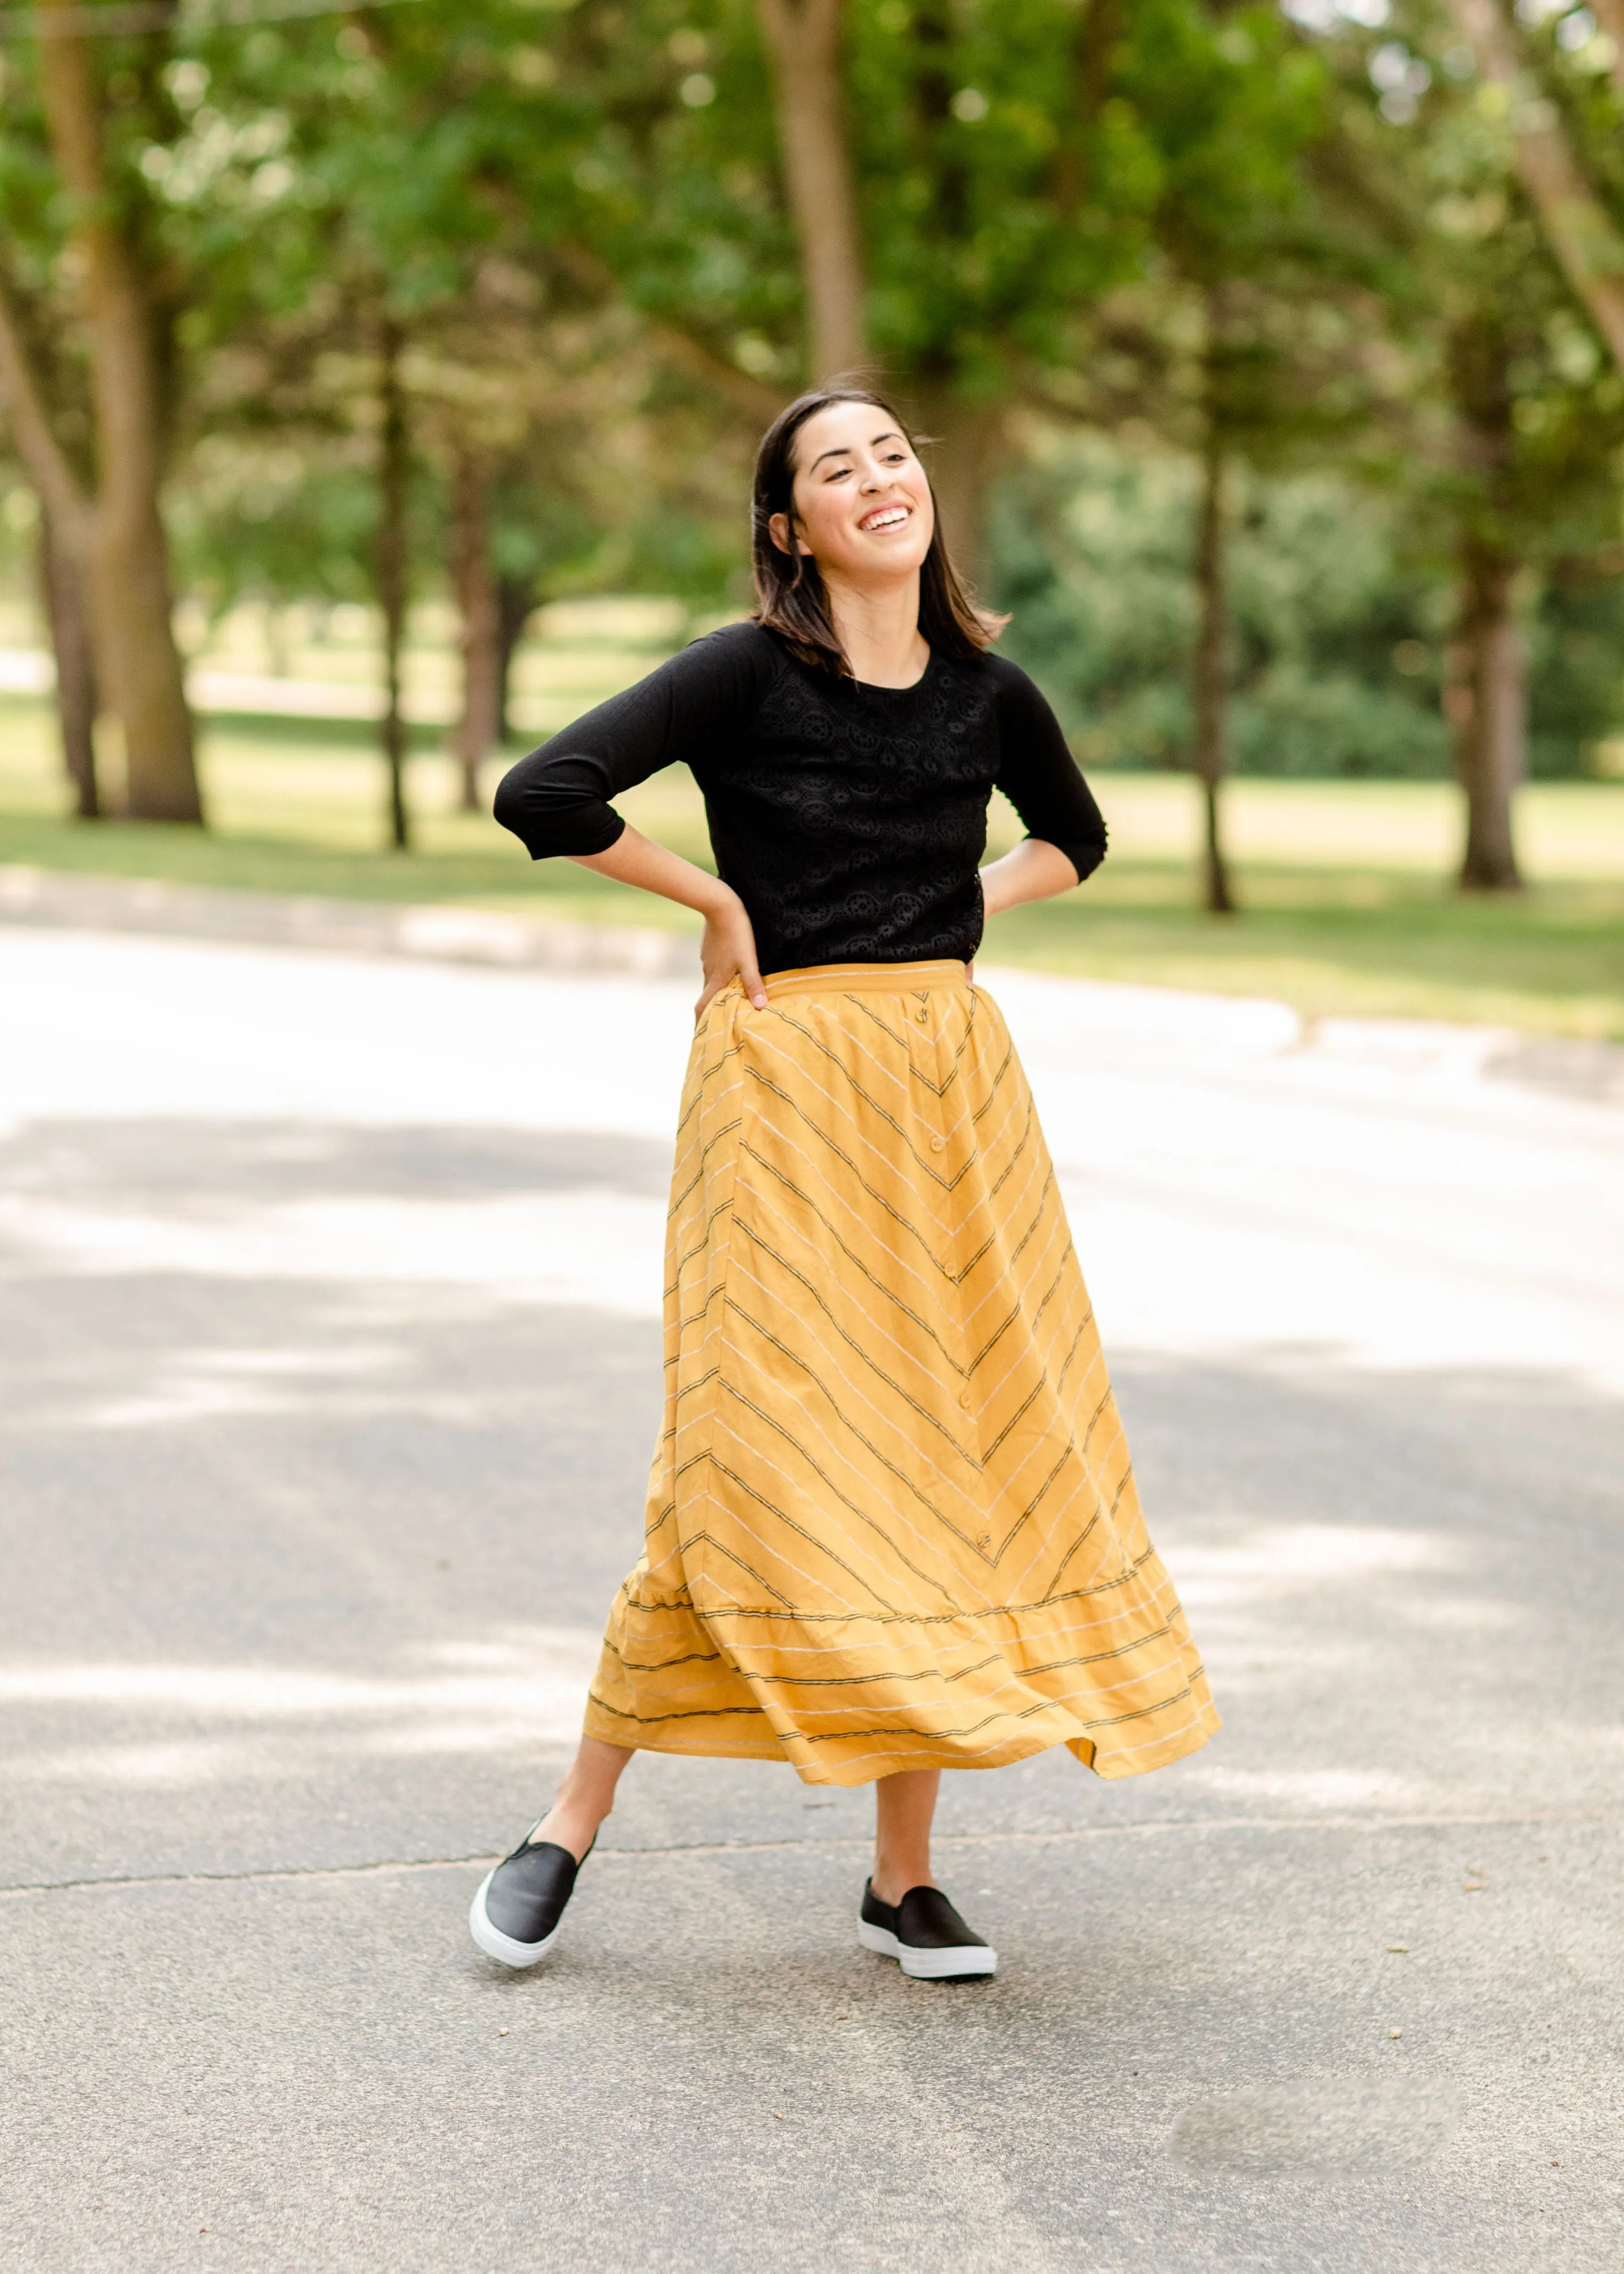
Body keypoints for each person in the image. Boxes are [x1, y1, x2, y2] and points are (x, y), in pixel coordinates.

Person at [473, 384, 1218, 1982]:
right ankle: (568, 1821)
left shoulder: (990, 693)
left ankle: (903, 1880)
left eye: (893, 453)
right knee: (737, 1459)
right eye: (836, 465)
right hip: (785, 1089)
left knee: (946, 1455)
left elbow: (1073, 839)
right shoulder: (746, 674)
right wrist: (715, 896)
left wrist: (958, 900)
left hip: (950, 1092)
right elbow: (544, 792)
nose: (878, 477)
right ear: (789, 527)